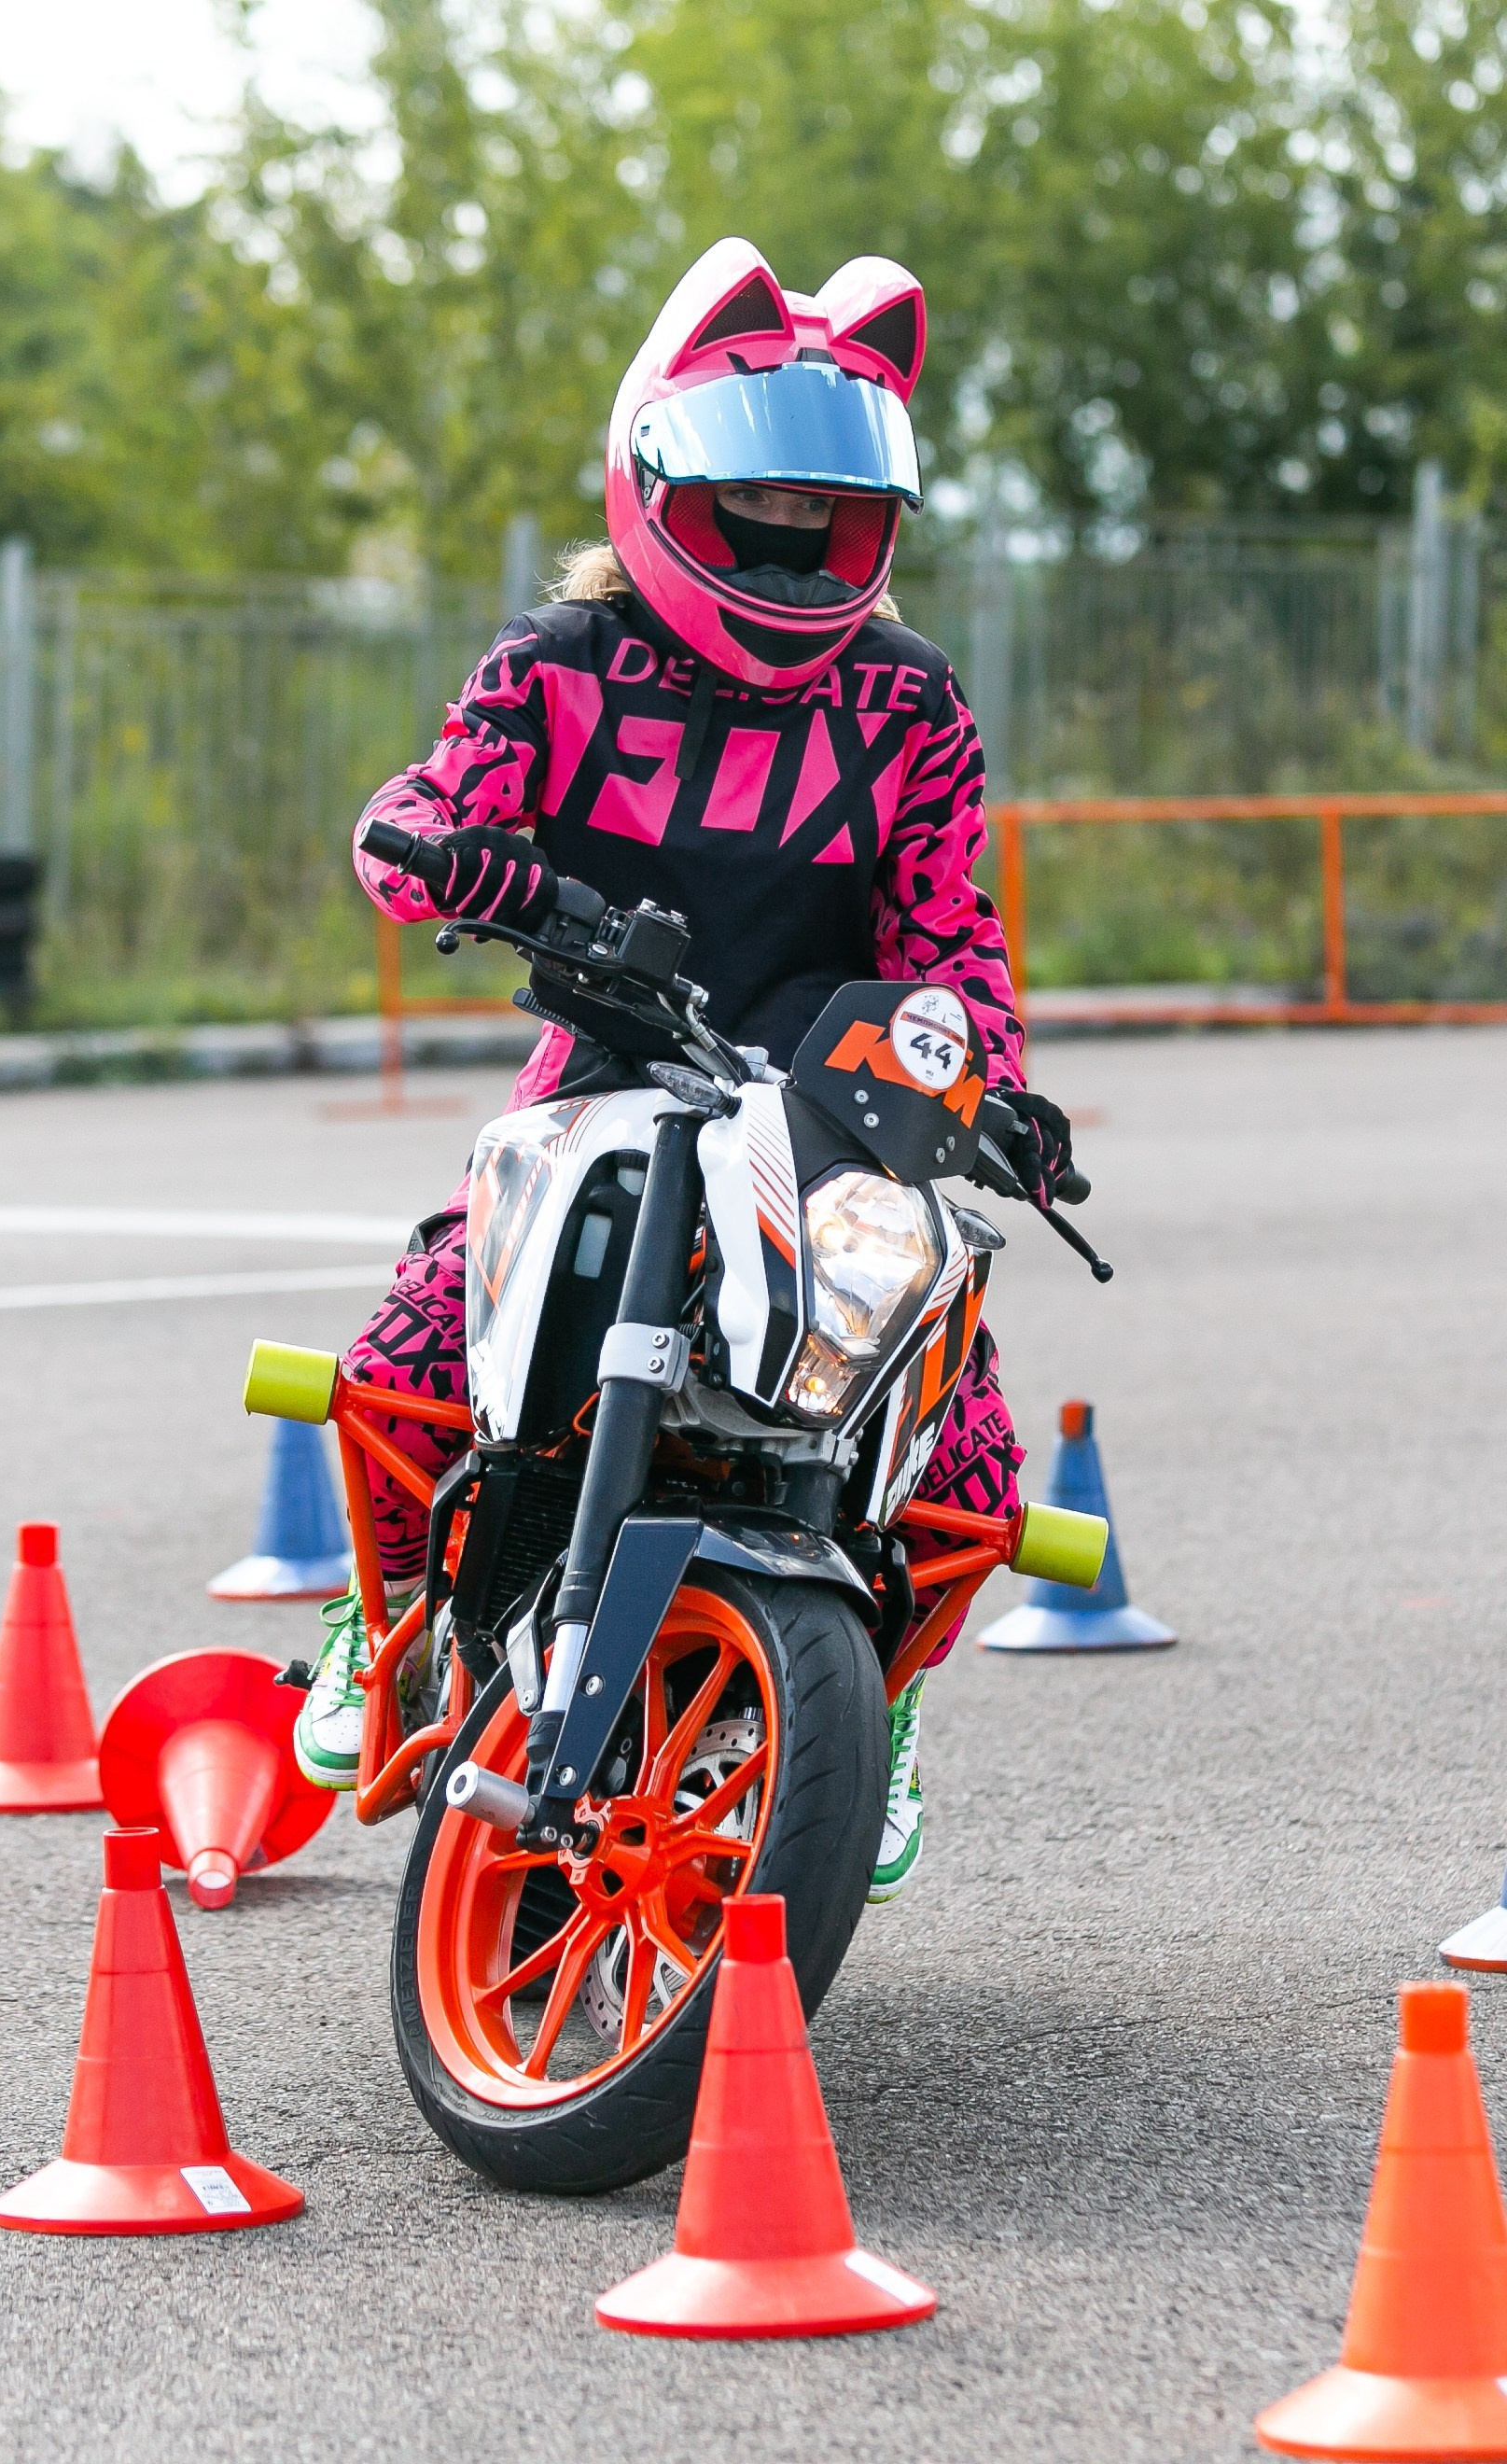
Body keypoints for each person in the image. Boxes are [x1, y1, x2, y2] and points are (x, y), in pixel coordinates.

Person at [295, 238, 1073, 1905]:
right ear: (655, 476)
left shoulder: (912, 698)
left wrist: (989, 1075)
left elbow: (954, 927)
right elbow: (415, 817)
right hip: (612, 1061)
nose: (797, 533)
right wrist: (471, 866)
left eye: (829, 509)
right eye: (758, 503)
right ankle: (382, 1631)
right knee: (408, 1354)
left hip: (836, 1103)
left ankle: (881, 1703)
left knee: (971, 1462)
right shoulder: (559, 657)